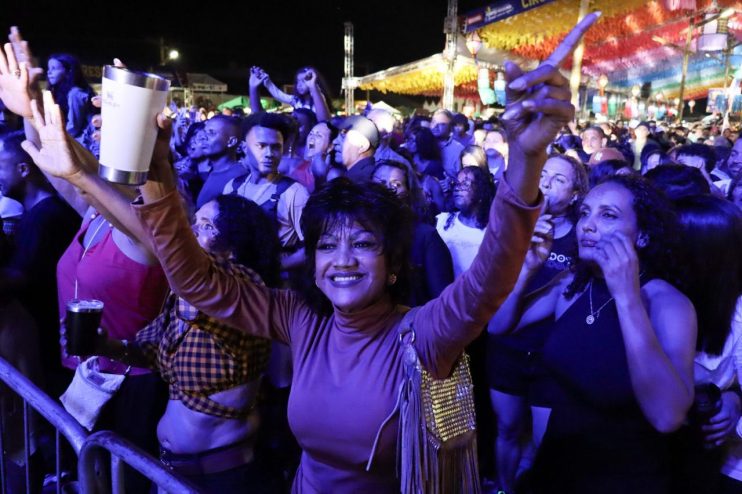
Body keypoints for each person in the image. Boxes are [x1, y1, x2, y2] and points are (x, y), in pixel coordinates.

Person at [24, 14, 599, 491]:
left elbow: (490, 277)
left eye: (364, 244)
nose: (342, 259)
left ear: (394, 265)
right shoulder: (303, 321)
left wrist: (526, 157)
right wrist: (149, 170)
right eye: (327, 245)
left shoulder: (425, 334)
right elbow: (197, 283)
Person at [490, 174, 696, 493]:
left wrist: (627, 297)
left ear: (641, 236)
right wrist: (525, 270)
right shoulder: (573, 284)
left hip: (624, 480)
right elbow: (499, 326)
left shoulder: (666, 303)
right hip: (558, 467)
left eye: (608, 215)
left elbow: (667, 416)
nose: (587, 225)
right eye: (584, 213)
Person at [486, 153, 589, 492]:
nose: (546, 183)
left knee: (546, 438)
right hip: (508, 347)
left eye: (559, 180)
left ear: (575, 194)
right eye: (543, 175)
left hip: (550, 355)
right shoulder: (509, 228)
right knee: (508, 428)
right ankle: (503, 487)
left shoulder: (582, 238)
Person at [671, 195, 742, 493]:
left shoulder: (737, 309)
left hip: (702, 453)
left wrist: (735, 399)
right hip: (635, 443)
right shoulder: (644, 294)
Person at [372, 159, 453, 306]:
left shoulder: (425, 236)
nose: (388, 189)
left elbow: (441, 302)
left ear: (408, 193)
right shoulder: (360, 233)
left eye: (396, 184)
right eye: (381, 183)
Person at [435, 166, 496, 278]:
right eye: (457, 183)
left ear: (480, 191)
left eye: (465, 184)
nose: (458, 188)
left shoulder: (490, 232)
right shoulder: (442, 222)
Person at [250, 65, 331, 121]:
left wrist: (313, 87)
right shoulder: (296, 100)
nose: (299, 85)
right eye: (297, 81)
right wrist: (266, 80)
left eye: (304, 81)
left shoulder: (319, 98)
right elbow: (278, 94)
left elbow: (324, 121)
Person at [46, 53, 95, 138]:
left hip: (84, 145)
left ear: (68, 71)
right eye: (49, 68)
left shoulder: (75, 94)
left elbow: (73, 128)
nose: (49, 72)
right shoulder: (59, 92)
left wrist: (54, 139)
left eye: (54, 68)